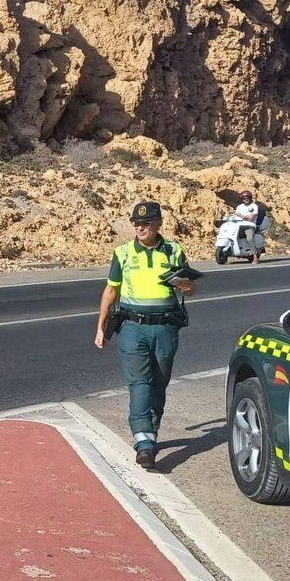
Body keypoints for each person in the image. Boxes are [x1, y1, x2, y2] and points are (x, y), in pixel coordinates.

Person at [93, 200, 195, 470]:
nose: (140, 227)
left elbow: (190, 288)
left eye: (146, 222)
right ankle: (145, 444)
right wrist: (100, 327)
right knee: (140, 384)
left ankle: (150, 431)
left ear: (159, 222)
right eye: (137, 223)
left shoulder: (174, 250)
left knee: (159, 385)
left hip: (165, 328)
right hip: (132, 327)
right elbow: (111, 291)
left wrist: (185, 286)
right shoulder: (123, 253)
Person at [234, 190, 263, 263]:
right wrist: (246, 216)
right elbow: (236, 215)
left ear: (250, 198)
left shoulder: (254, 206)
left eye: (248, 198)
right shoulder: (239, 207)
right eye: (244, 198)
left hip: (250, 225)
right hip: (239, 225)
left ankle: (255, 257)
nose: (246, 199)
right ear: (242, 199)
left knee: (249, 238)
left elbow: (252, 217)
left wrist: (243, 216)